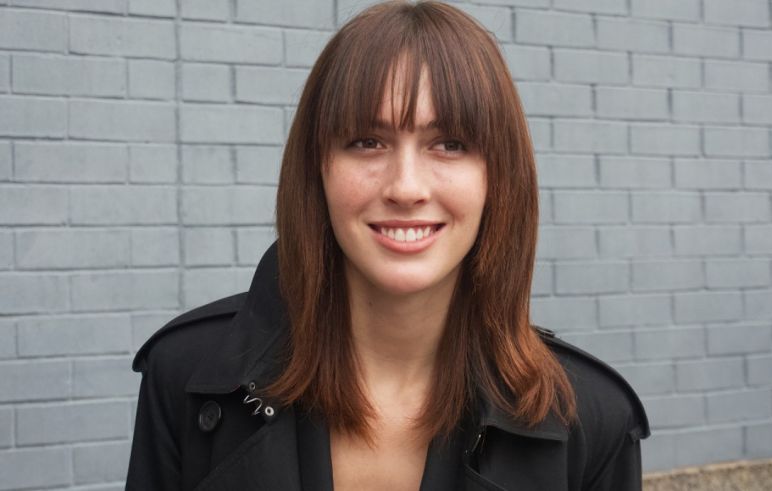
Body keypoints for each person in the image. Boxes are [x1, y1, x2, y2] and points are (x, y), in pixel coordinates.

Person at [125, 1, 650, 489]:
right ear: (318, 171)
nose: (405, 188)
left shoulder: (592, 419)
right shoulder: (184, 374)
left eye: (449, 144)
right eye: (367, 142)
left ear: (499, 178)